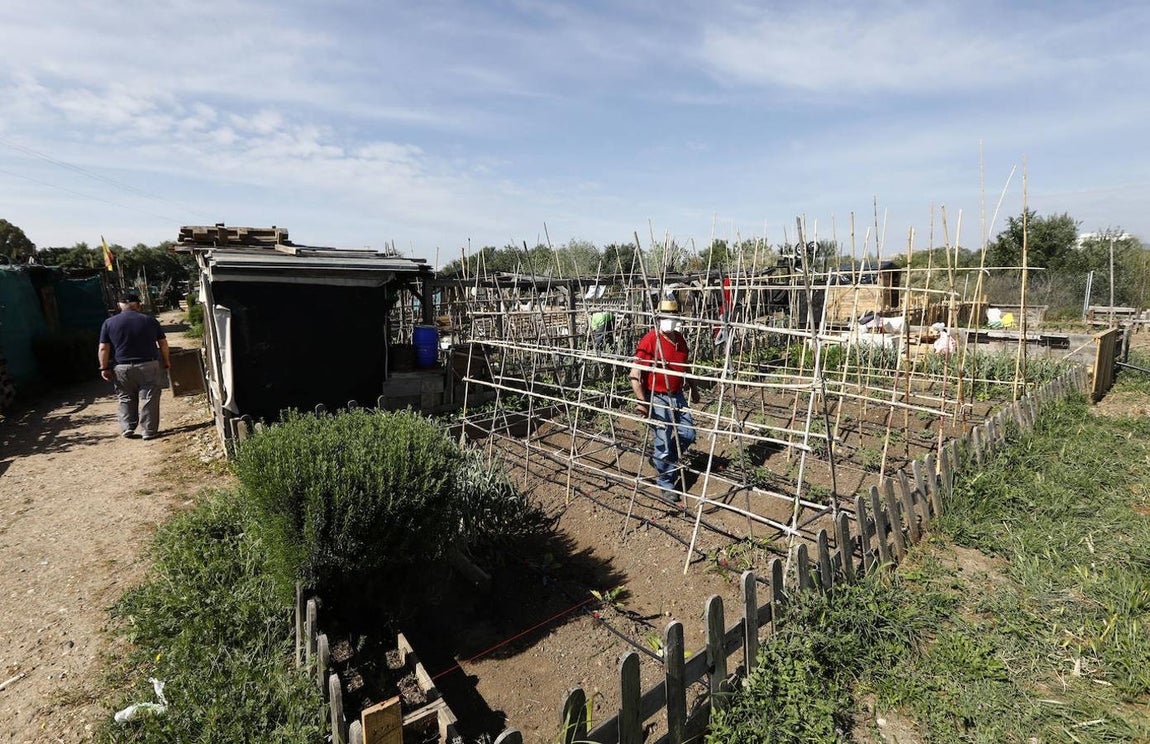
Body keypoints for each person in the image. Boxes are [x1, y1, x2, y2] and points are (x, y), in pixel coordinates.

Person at [629, 298, 700, 505]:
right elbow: (635, 374)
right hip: (658, 396)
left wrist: (694, 389)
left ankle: (663, 462)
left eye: (673, 316)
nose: (670, 320)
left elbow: (686, 367)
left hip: (677, 395)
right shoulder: (650, 340)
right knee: (664, 441)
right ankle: (666, 484)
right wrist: (643, 401)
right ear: (658, 318)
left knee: (688, 433)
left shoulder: (679, 339)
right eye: (665, 316)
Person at [98, 291, 171, 440]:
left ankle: (127, 427)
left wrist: (104, 367)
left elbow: (103, 348)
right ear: (138, 305)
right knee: (149, 398)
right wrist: (166, 361)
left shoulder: (109, 323)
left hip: (122, 367)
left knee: (125, 397)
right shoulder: (149, 320)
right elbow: (162, 343)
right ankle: (149, 431)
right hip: (148, 365)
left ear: (119, 305)